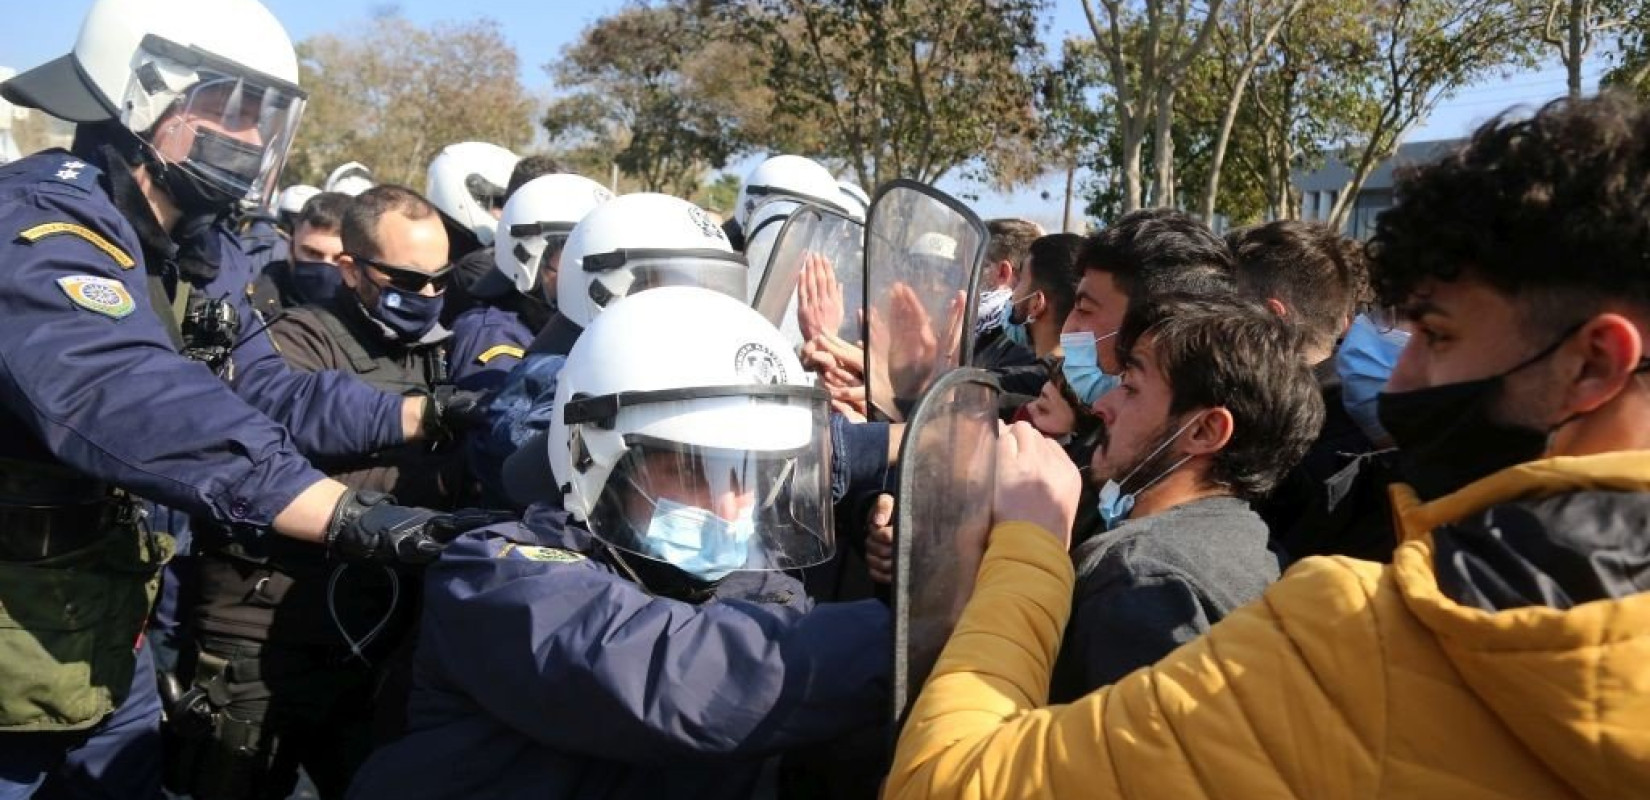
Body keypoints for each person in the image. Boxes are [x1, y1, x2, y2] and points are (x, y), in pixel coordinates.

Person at [885, 93, 1650, 799]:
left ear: (1592, 364)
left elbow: (944, 780)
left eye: (1437, 336)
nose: (1399, 380)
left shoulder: (1346, 640)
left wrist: (1029, 545)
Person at [0, 1, 478, 797]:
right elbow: (127, 395)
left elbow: (265, 386)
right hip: (14, 650)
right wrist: (346, 515)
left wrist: (428, 415)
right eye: (226, 108)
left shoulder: (199, 247)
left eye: (263, 116)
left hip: (98, 637)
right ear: (137, 96)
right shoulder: (41, 223)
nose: (251, 137)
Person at [348, 287, 890, 799]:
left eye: (751, 476)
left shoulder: (760, 588)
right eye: (694, 472)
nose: (732, 506)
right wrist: (917, 633)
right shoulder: (495, 575)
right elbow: (678, 679)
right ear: (595, 458)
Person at [176, 184, 465, 800]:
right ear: (351, 268)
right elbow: (302, 410)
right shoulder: (291, 339)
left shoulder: (440, 353)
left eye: (441, 280)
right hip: (258, 627)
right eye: (410, 281)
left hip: (373, 641)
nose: (430, 295)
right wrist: (429, 415)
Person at [1050, 294, 1323, 697]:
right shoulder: (1253, 544)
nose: (1102, 406)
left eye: (1130, 387)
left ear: (1204, 431)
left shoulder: (1138, 578)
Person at [1227, 220, 1379, 560]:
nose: (1215, 330)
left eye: (1227, 312)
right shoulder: (1360, 419)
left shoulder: (1312, 446)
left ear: (1272, 317)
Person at [447, 173, 611, 391]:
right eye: (575, 256)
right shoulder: (493, 335)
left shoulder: (559, 331)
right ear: (527, 257)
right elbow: (503, 419)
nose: (589, 273)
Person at [246, 190, 351, 317]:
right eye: (313, 253)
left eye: (339, 259)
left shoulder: (369, 318)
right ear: (290, 248)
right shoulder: (250, 309)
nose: (325, 270)